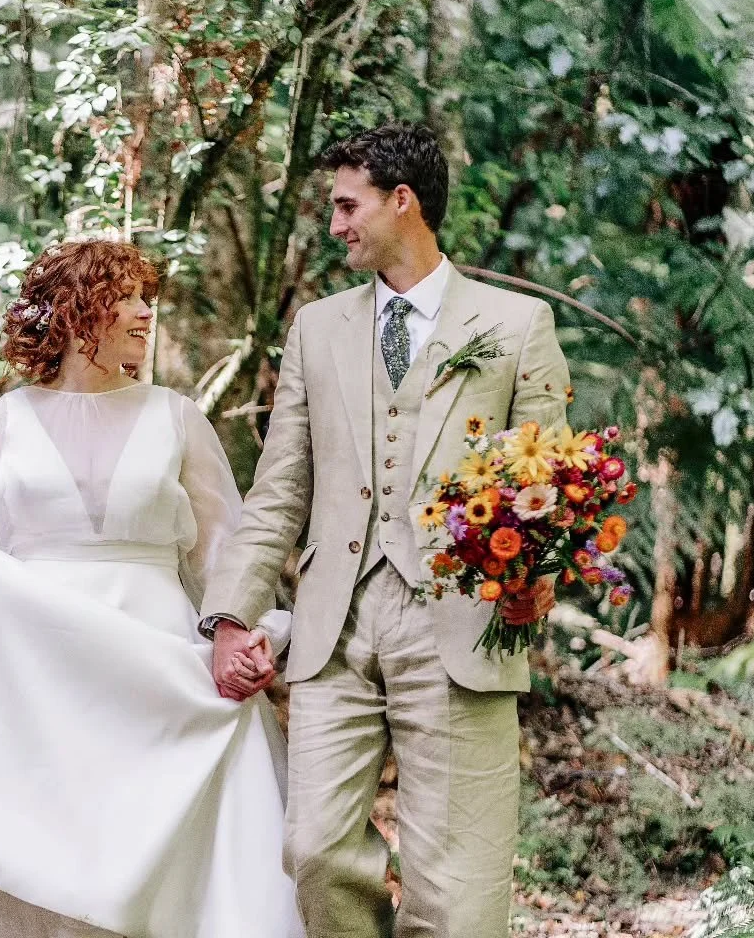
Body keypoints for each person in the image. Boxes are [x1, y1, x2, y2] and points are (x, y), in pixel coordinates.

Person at [0, 239, 302, 938]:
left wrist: (248, 630)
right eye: (129, 296)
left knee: (155, 853)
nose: (144, 312)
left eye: (146, 298)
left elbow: (228, 549)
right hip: (34, 665)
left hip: (153, 667)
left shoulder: (176, 419)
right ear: (81, 309)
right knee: (33, 846)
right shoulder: (5, 421)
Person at [200, 122, 570, 938]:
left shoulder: (515, 326)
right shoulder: (316, 328)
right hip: (334, 623)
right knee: (315, 850)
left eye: (346, 205)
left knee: (456, 894)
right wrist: (233, 616)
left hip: (463, 623)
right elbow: (279, 489)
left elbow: (548, 486)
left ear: (402, 201)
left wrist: (531, 584)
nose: (335, 225)